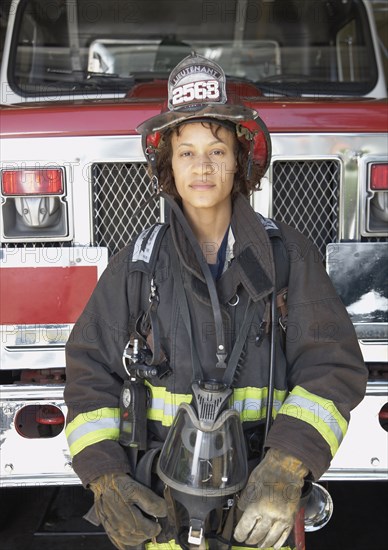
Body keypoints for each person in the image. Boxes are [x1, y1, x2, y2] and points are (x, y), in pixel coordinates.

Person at [64, 53, 367, 550]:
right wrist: (106, 481)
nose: (202, 167)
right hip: (158, 517)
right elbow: (89, 374)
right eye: (186, 152)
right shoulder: (138, 264)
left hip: (258, 515)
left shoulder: (287, 256)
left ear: (239, 160)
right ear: (168, 164)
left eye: (217, 151)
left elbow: (332, 367)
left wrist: (287, 468)